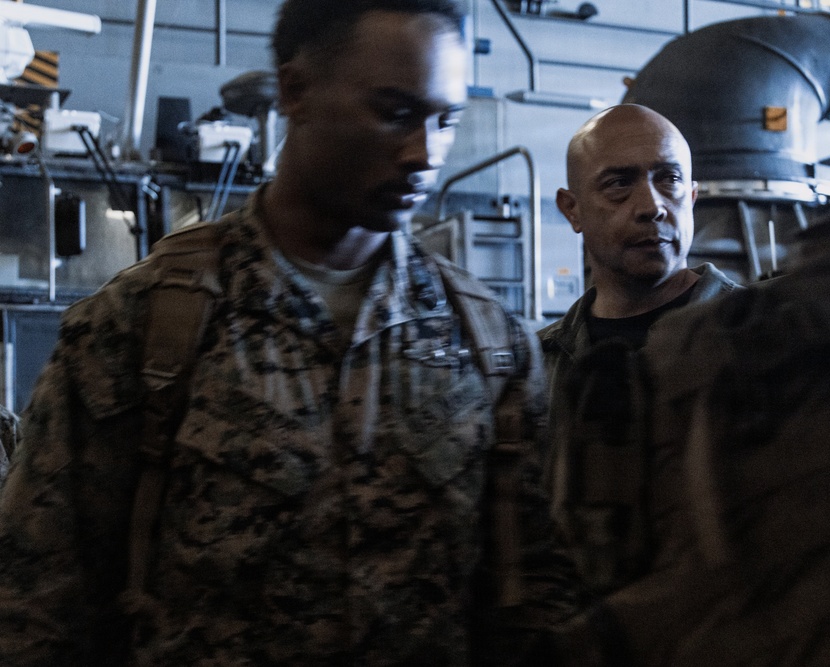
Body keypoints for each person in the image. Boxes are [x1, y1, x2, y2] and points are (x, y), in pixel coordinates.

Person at [0, 1, 580, 665]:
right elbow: (36, 608)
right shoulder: (143, 328)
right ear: (296, 92)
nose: (425, 153)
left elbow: (533, 605)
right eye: (394, 112)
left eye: (444, 120)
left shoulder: (488, 344)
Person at [537, 103, 741, 596]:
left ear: (691, 197)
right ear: (572, 209)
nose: (652, 205)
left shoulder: (760, 339)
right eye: (617, 184)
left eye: (669, 180)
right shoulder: (540, 368)